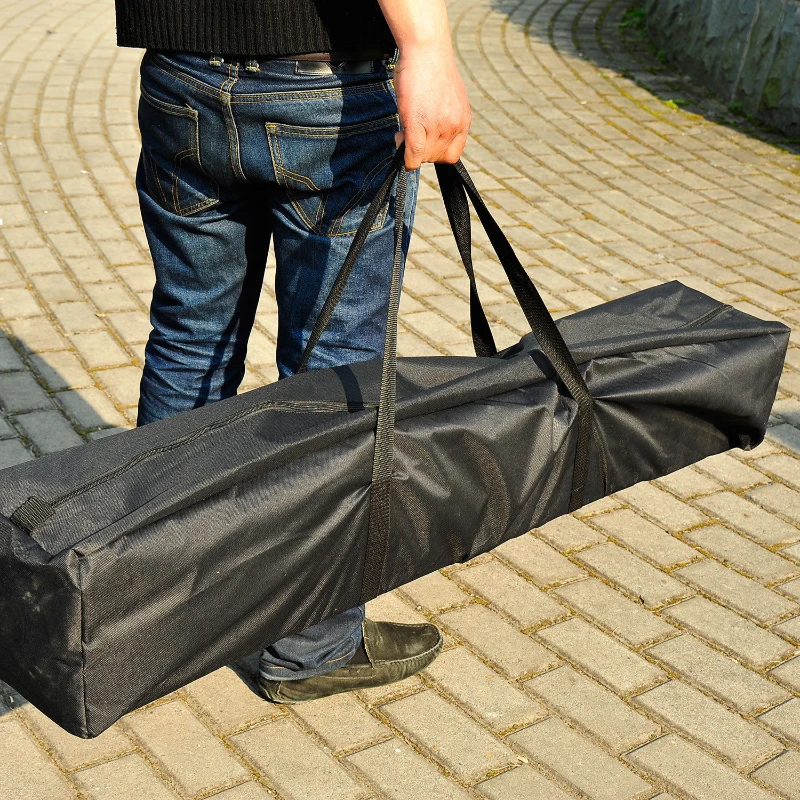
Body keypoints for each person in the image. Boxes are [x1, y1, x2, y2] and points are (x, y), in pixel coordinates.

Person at [115, 0, 471, 703]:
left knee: (190, 338)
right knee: (334, 371)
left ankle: (154, 614)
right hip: (326, 86)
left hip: (181, 70)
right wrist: (428, 43)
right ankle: (312, 647)